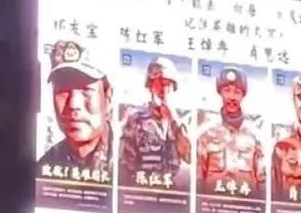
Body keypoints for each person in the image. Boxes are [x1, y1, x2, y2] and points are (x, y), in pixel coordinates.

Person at [38, 40, 112, 172]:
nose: (73, 104)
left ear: (108, 98)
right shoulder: (47, 166)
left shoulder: (130, 157)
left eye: (86, 90)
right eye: (63, 91)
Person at [119, 56, 191, 185]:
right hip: (143, 188)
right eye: (159, 83)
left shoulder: (180, 123)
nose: (163, 89)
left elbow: (190, 156)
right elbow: (125, 166)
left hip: (171, 190)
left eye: (168, 84)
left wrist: (172, 118)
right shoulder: (136, 120)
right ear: (150, 85)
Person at [197, 67, 265, 197]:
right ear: (220, 93)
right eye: (227, 91)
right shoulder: (205, 134)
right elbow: (198, 178)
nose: (232, 97)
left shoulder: (255, 136)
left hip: (246, 205)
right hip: (214, 204)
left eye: (237, 92)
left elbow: (263, 181)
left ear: (243, 95)